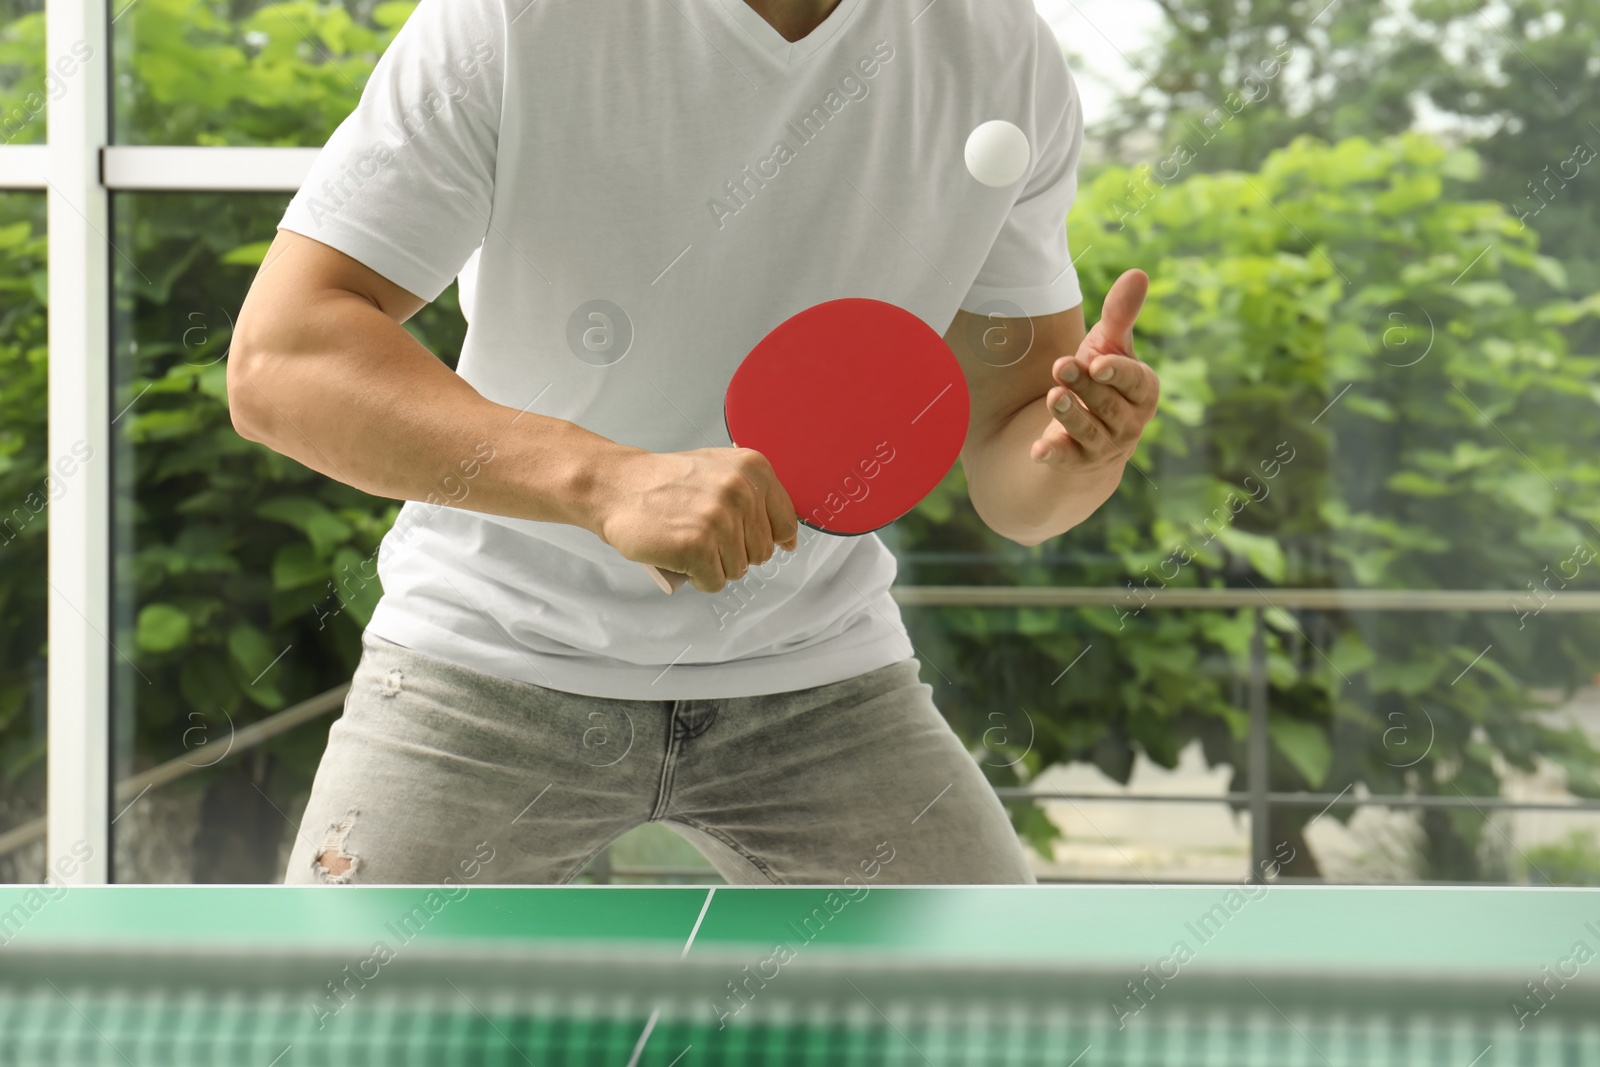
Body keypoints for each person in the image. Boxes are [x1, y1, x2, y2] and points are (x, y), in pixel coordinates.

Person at [229, 0, 1159, 886]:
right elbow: (281, 361)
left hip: (821, 679)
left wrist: (1082, 451)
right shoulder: (512, 19)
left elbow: (1015, 479)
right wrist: (604, 483)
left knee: (1010, 1025)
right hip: (490, 658)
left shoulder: (1003, 51)